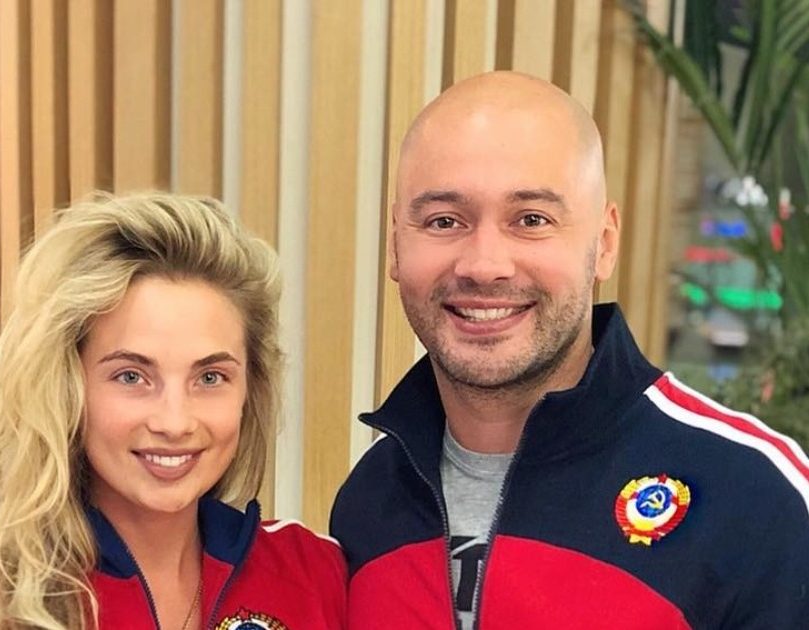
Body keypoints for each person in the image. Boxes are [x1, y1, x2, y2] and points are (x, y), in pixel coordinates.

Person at [330, 71, 809, 629]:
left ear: (603, 244)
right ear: (395, 246)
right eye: (444, 221)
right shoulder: (370, 502)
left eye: (531, 220)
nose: (484, 265)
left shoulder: (755, 498)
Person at [0, 192, 346, 629]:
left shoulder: (315, 572)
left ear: (250, 389)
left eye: (210, 377)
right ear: (66, 387)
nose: (175, 422)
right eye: (131, 376)